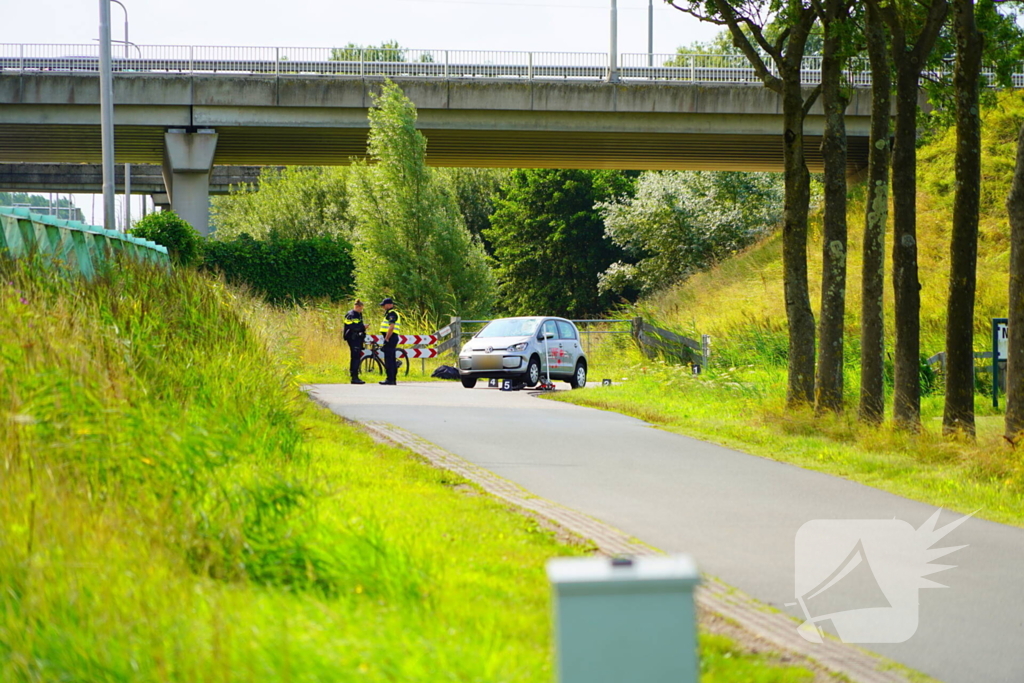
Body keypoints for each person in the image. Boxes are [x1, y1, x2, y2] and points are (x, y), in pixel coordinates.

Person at [378, 297, 402, 385]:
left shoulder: (392, 313)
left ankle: (390, 379)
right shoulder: (390, 313)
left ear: (389, 305)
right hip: (392, 337)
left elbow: (391, 327)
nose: (383, 307)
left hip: (391, 338)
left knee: (389, 360)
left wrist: (387, 338)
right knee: (391, 358)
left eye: (384, 305)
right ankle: (392, 379)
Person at [343, 299, 367, 385]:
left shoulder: (358, 314)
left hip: (357, 338)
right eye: (361, 308)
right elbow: (352, 326)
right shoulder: (351, 315)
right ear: (357, 307)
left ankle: (355, 376)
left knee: (356, 357)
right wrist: (363, 327)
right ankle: (354, 377)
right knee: (355, 357)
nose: (361, 310)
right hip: (353, 338)